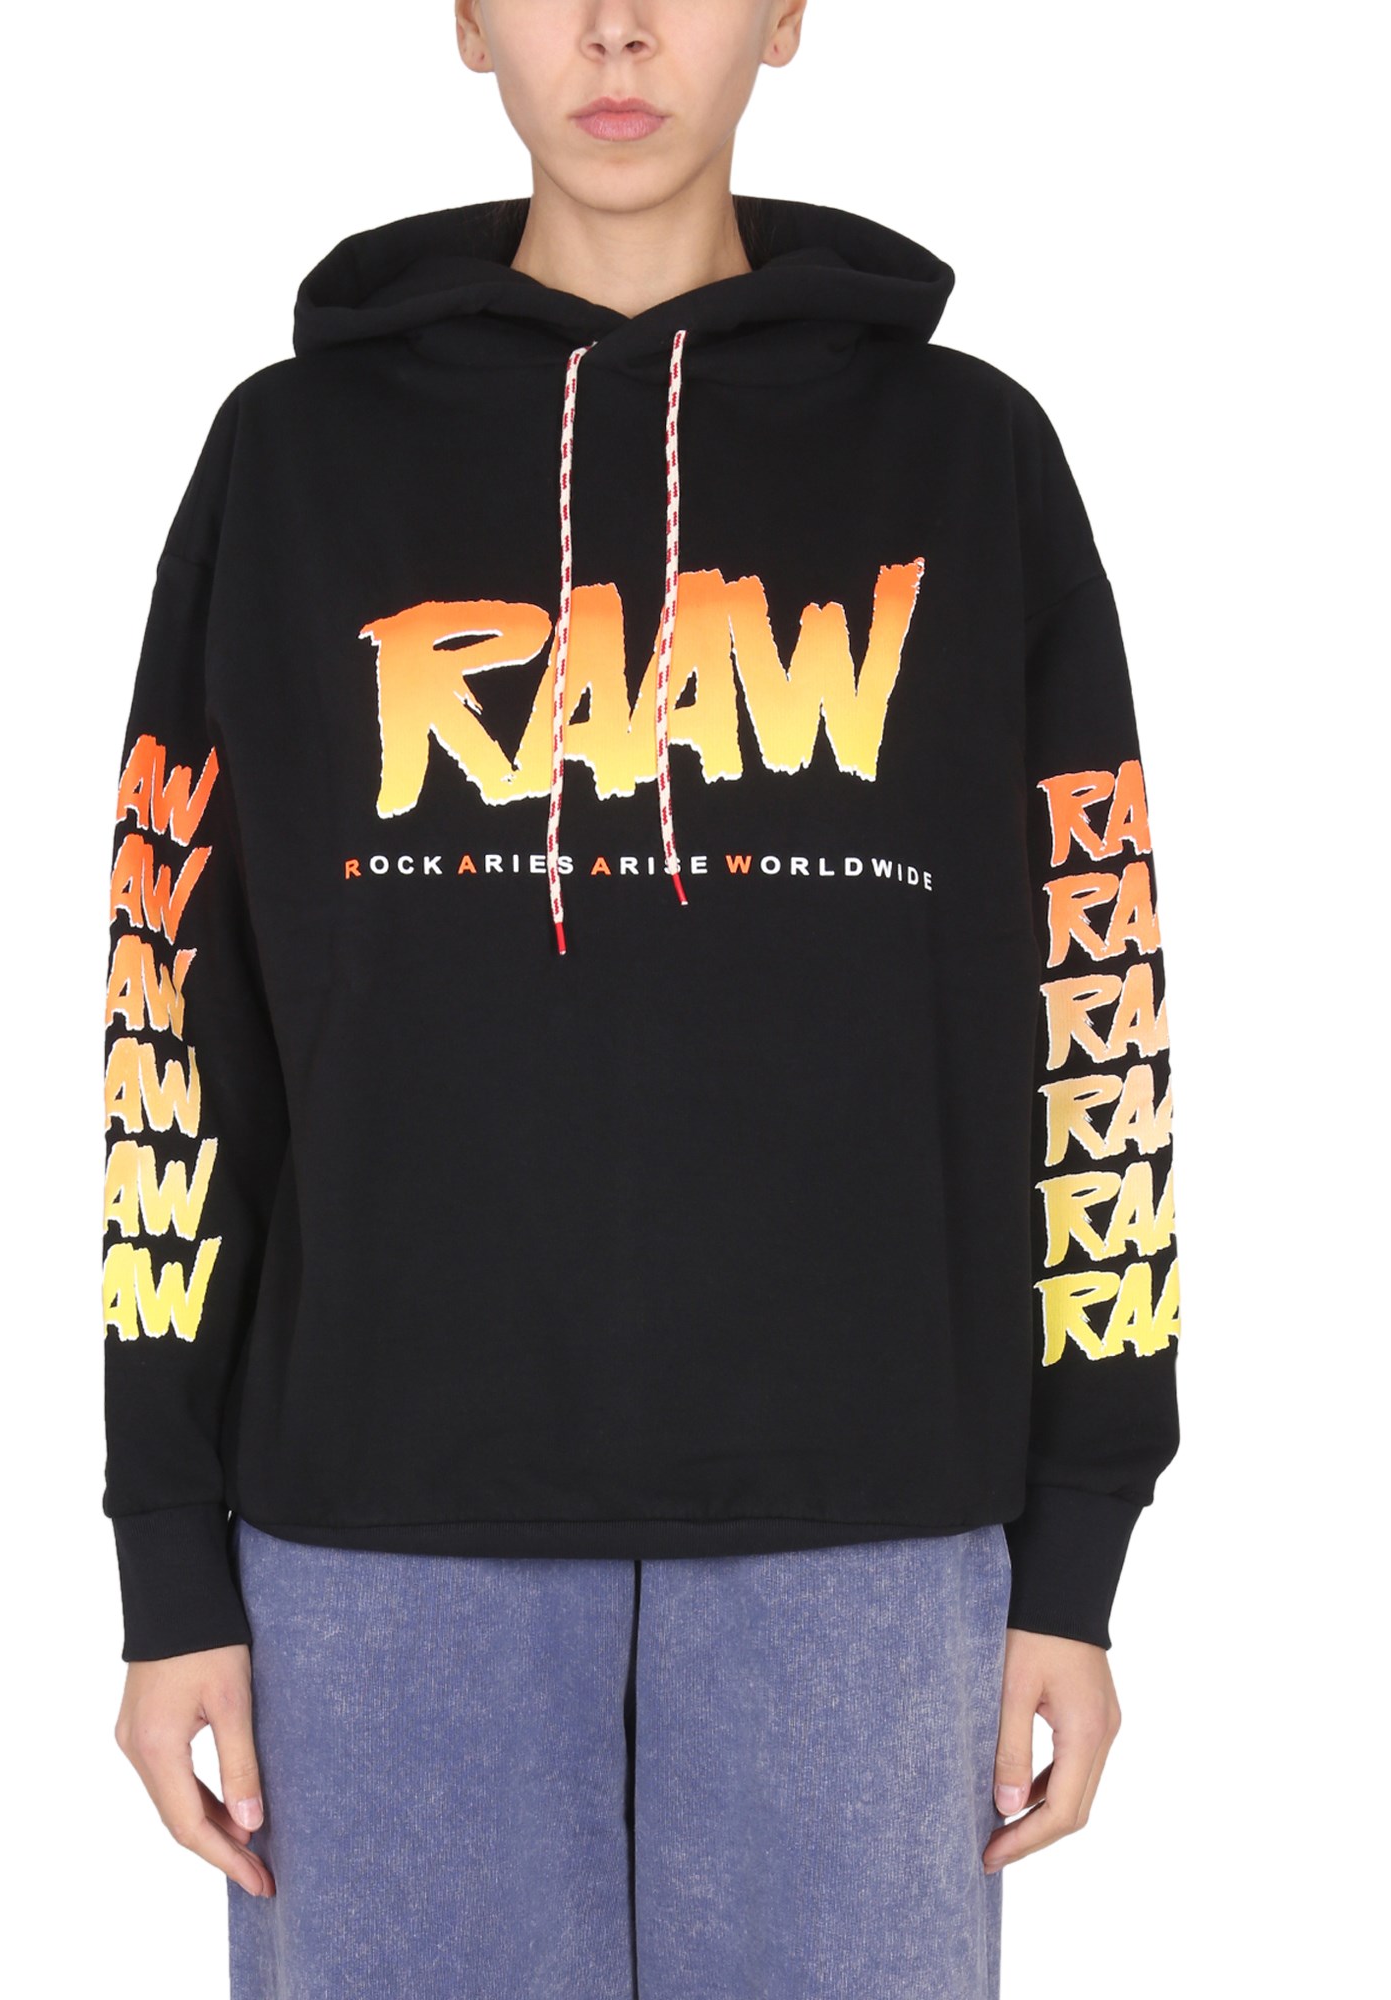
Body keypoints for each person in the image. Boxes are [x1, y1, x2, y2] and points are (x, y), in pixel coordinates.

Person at [102, 3, 1182, 1994]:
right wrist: (169, 1559)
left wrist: (1080, 1538)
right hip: (374, 1549)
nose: (616, 26)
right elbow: (174, 1017)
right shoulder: (294, 459)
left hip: (868, 1547)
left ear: (785, 15)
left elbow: (1090, 993)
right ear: (466, 20)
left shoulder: (968, 460)